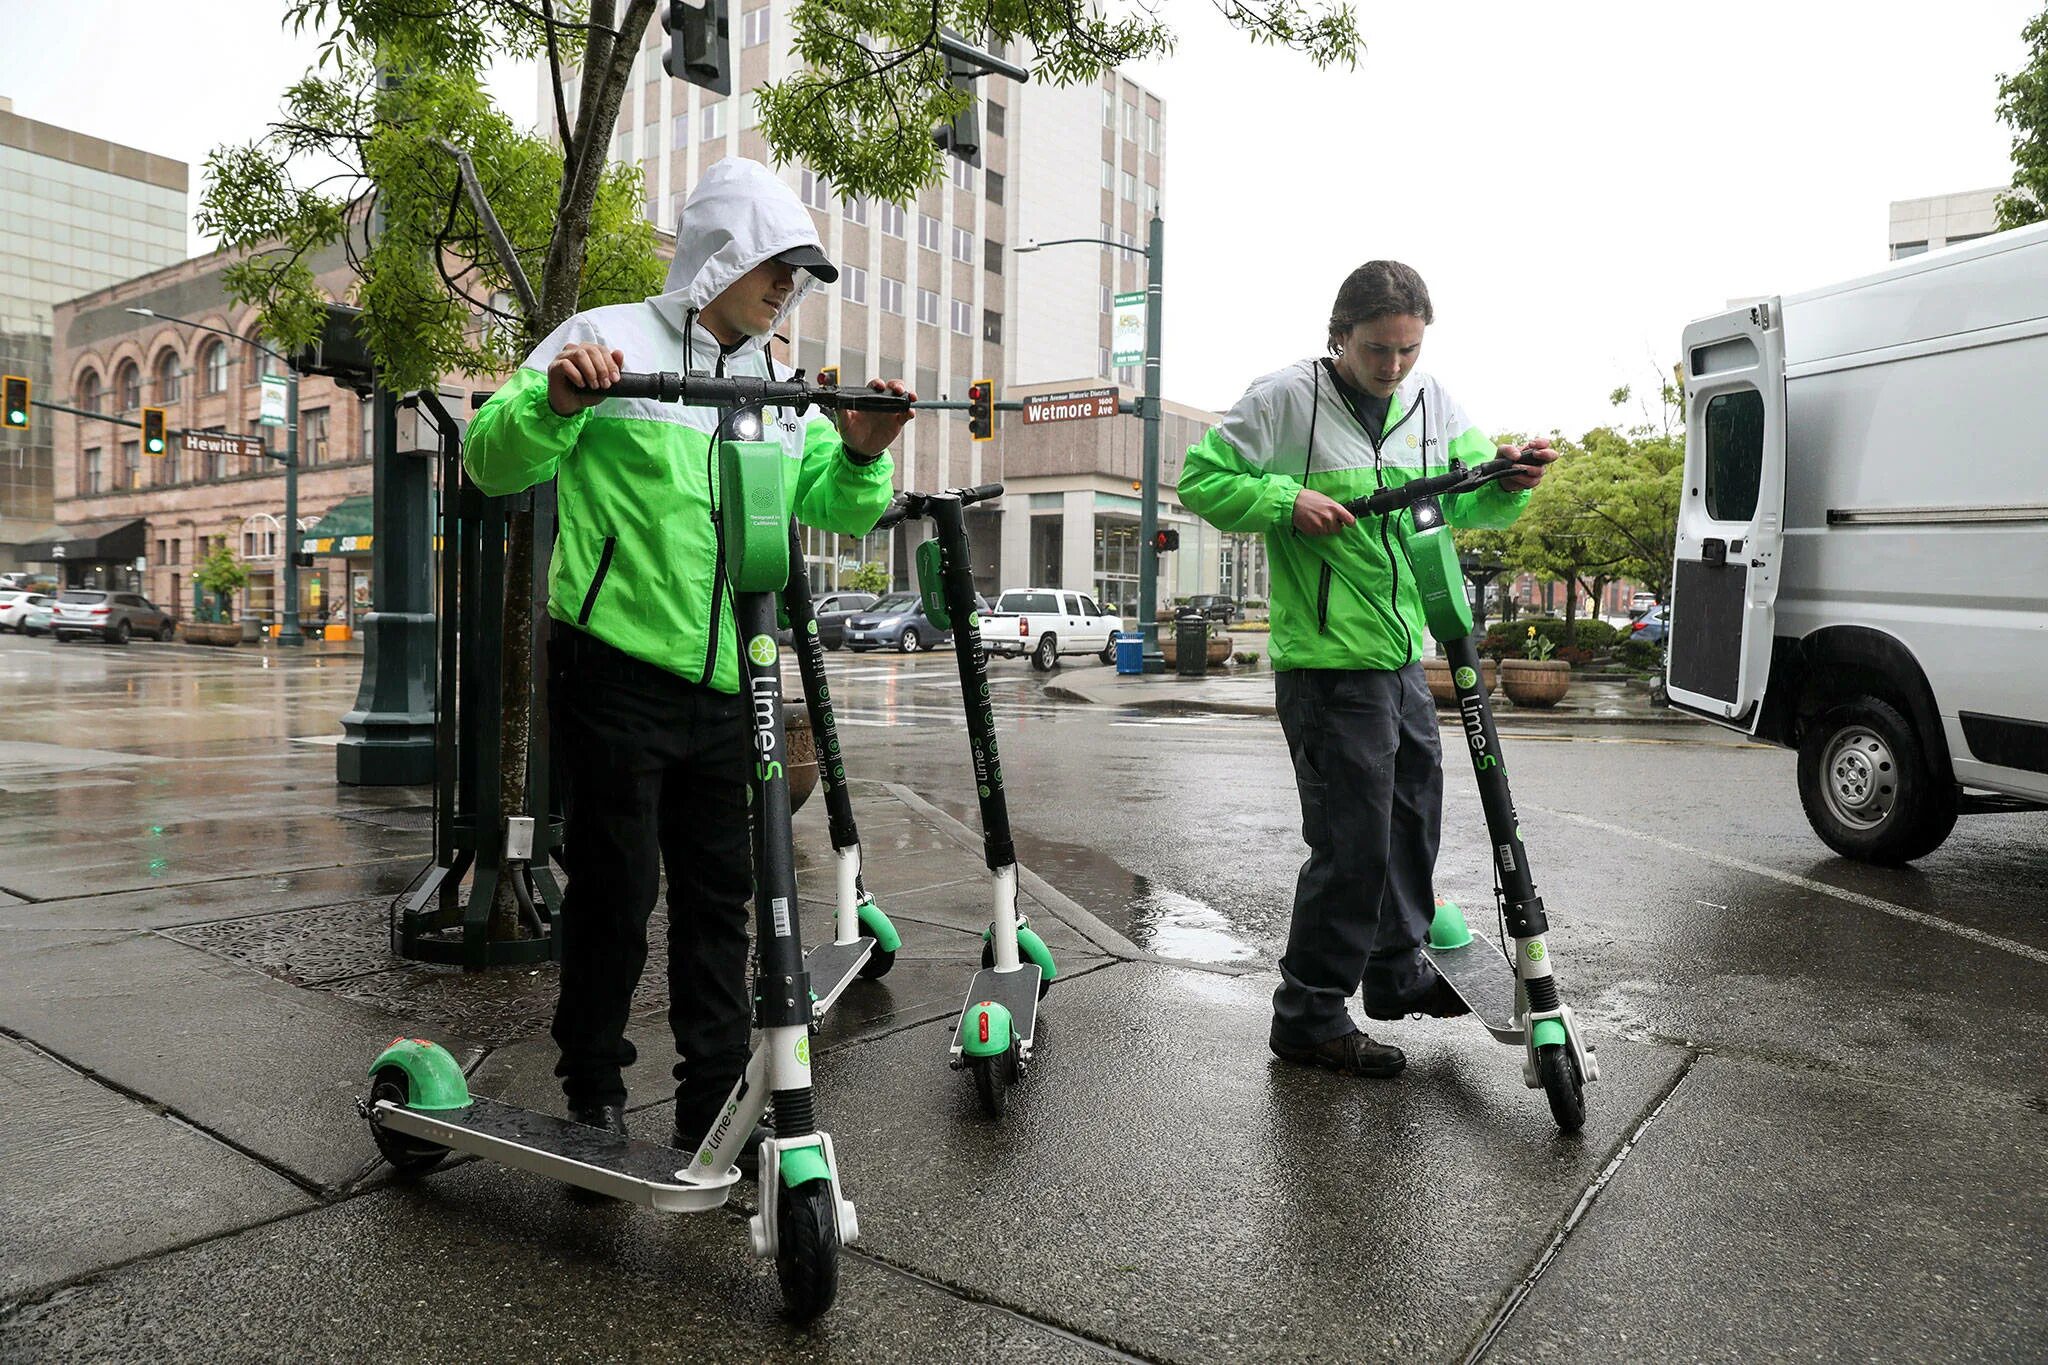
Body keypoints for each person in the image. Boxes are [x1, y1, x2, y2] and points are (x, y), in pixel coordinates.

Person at [463, 158, 912, 1151]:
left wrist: (864, 454)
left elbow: (828, 511)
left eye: (799, 271)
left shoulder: (775, 382)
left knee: (722, 907)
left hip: (735, 680)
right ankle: (594, 1089)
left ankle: (714, 1103)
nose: (788, 284)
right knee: (616, 900)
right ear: (724, 255)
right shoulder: (603, 340)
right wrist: (556, 403)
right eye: (777, 265)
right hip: (614, 667)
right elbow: (492, 457)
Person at [1178, 260, 1555, 1079]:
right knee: (1351, 845)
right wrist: (1286, 502)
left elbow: (1468, 497)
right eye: (1378, 350)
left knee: (1414, 815)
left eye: (1408, 351)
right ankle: (1310, 1014)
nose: (1393, 367)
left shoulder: (1433, 402)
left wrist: (1511, 479)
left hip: (1400, 656)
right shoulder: (1287, 398)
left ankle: (1396, 971)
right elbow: (1200, 478)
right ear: (1339, 335)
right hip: (1325, 664)